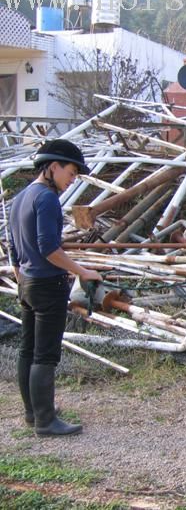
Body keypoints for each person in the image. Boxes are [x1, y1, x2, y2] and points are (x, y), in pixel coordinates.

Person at [8, 139, 102, 436]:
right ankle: (46, 421)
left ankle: (32, 411)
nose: (71, 180)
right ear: (53, 166)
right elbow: (49, 248)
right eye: (71, 172)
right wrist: (82, 271)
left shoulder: (21, 197)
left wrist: (21, 275)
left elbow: (12, 246)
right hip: (47, 284)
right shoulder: (46, 198)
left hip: (27, 283)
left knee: (28, 348)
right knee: (45, 353)